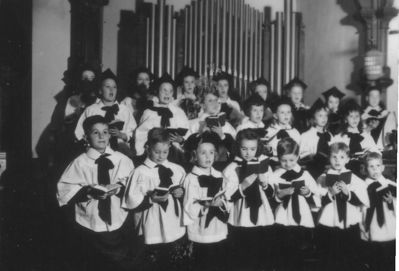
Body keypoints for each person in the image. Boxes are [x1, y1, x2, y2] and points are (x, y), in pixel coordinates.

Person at [57, 115, 135, 271]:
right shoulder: (80, 162)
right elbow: (64, 189)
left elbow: (132, 186)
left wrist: (119, 187)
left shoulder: (122, 160)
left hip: (118, 217)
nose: (101, 136)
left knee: (119, 261)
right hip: (89, 220)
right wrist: (88, 191)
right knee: (93, 261)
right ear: (86, 137)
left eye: (105, 132)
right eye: (95, 132)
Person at [123, 128, 187, 271]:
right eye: (156, 152)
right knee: (153, 259)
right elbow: (130, 201)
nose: (160, 156)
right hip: (151, 220)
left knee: (174, 257)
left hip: (173, 219)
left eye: (165, 152)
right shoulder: (140, 172)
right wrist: (150, 199)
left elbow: (187, 193)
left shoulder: (177, 169)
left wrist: (181, 192)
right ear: (147, 148)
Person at [223, 129, 275, 271]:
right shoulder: (232, 168)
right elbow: (228, 196)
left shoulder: (263, 165)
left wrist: (264, 183)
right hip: (241, 211)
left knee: (260, 248)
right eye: (244, 148)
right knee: (243, 250)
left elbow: (271, 193)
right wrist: (244, 185)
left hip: (261, 212)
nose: (248, 153)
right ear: (237, 147)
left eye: (252, 149)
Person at [316, 142, 369, 271]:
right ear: (329, 158)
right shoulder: (322, 179)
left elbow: (362, 201)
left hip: (349, 220)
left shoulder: (354, 178)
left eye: (341, 157)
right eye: (334, 157)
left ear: (347, 159)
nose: (337, 160)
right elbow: (318, 201)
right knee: (330, 254)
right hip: (330, 221)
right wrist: (330, 193)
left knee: (350, 253)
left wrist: (348, 193)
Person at [183, 131, 230, 271]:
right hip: (201, 226)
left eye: (211, 152)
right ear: (194, 155)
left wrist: (222, 203)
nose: (208, 156)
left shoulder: (219, 175)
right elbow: (188, 205)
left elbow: (226, 197)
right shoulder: (191, 178)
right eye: (203, 153)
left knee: (218, 260)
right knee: (203, 261)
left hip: (218, 225)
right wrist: (206, 205)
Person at [271, 138, 320, 271]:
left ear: (297, 157)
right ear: (278, 158)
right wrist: (280, 195)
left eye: (292, 160)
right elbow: (270, 199)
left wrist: (308, 193)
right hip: (283, 217)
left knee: (301, 249)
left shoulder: (305, 174)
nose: (287, 164)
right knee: (284, 249)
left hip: (301, 217)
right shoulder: (275, 175)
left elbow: (317, 197)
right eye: (284, 160)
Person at [75, 69, 137, 156]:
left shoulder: (124, 110)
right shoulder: (91, 110)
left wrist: (122, 135)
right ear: (100, 90)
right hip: (96, 153)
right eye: (107, 87)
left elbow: (134, 133)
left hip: (121, 153)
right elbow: (79, 133)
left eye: (114, 87)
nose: (111, 90)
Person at [134, 73, 189, 158]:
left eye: (170, 91)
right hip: (154, 155)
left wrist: (180, 140)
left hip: (175, 155)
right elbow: (140, 135)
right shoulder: (149, 112)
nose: (167, 94)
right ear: (157, 92)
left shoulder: (179, 113)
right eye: (164, 90)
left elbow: (187, 136)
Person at [359, 152, 396, 271]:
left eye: (378, 166)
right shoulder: (363, 187)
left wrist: (391, 202)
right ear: (365, 169)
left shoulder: (391, 185)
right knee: (375, 260)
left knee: (389, 259)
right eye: (371, 167)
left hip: (389, 228)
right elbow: (360, 209)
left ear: (383, 167)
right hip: (372, 227)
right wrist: (363, 227)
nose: (375, 170)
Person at [185, 89, 236, 169]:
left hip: (222, 164)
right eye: (210, 101)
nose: (214, 104)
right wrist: (200, 134)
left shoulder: (226, 125)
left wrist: (222, 136)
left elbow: (234, 147)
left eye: (216, 100)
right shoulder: (195, 124)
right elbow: (186, 147)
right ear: (203, 105)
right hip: (199, 165)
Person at [331, 100, 380, 176]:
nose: (355, 119)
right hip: (344, 172)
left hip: (364, 171)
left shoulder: (365, 135)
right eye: (351, 116)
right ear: (345, 119)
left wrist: (369, 154)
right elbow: (333, 156)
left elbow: (377, 154)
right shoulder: (339, 137)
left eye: (357, 116)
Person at [299, 98, 332, 179]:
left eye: (325, 115)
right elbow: (302, 155)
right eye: (320, 115)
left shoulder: (329, 135)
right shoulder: (306, 135)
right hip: (313, 169)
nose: (324, 118)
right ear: (313, 118)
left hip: (328, 168)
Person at [265, 97, 301, 167]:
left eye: (288, 112)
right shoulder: (269, 131)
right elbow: (267, 150)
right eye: (282, 112)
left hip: (292, 164)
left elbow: (298, 152)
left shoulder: (295, 132)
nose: (286, 115)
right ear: (275, 116)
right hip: (274, 163)